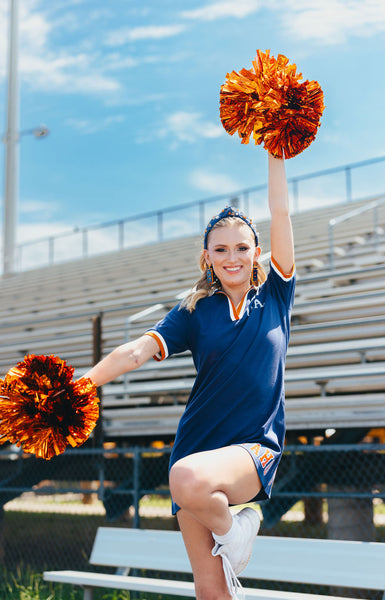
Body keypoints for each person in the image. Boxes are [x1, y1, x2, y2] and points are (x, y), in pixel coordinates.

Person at [85, 153, 295, 600]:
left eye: (242, 247)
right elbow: (138, 350)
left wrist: (277, 150)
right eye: (220, 249)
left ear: (257, 251)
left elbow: (281, 210)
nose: (232, 257)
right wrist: (82, 385)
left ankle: (239, 531)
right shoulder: (194, 311)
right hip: (199, 442)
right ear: (207, 257)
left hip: (254, 447)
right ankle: (233, 533)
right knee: (209, 589)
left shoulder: (276, 293)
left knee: (183, 477)